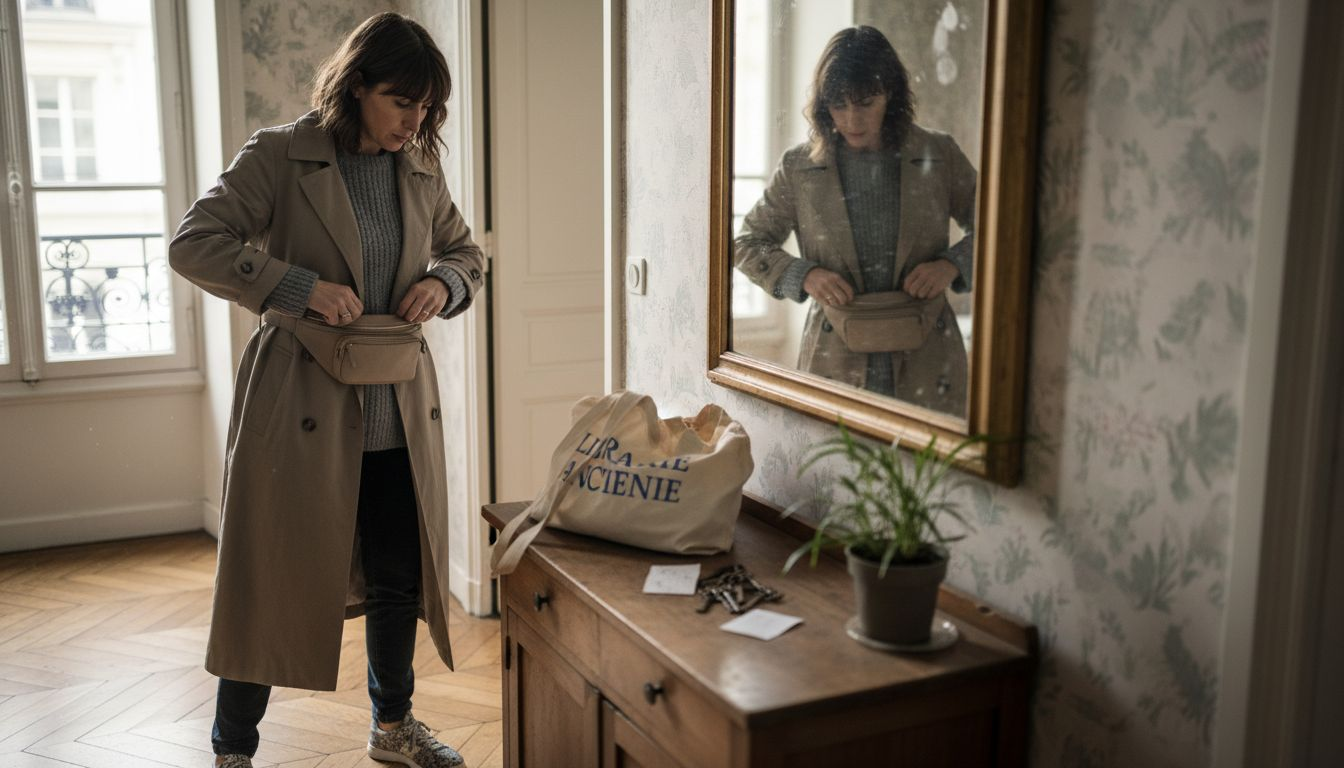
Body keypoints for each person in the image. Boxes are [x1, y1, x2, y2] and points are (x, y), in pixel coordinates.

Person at [169, 13, 482, 768]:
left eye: (427, 108)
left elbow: (467, 252)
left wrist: (444, 283)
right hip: (299, 402)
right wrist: (296, 286)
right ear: (356, 88)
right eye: (401, 102)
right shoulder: (281, 153)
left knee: (399, 578)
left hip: (397, 407)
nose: (415, 121)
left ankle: (392, 729)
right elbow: (194, 242)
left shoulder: (418, 165)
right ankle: (232, 751)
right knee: (267, 577)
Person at [733, 25, 976, 416]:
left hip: (929, 352)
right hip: (834, 355)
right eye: (838, 104)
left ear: (891, 95)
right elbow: (747, 243)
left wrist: (952, 265)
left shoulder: (939, 154)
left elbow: (1000, 232)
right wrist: (804, 275)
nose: (851, 118)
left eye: (865, 102)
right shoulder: (799, 167)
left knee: (925, 476)